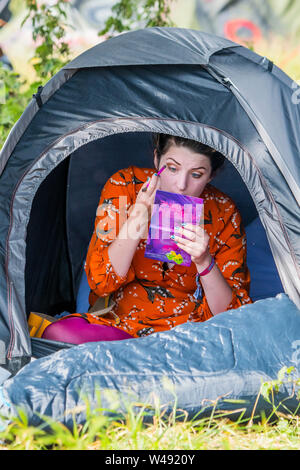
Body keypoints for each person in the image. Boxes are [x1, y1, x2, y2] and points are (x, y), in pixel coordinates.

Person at [42, 134, 252, 344]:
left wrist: (204, 261)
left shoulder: (223, 211)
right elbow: (101, 284)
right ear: (156, 160)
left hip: (189, 337)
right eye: (172, 168)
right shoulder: (126, 185)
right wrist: (138, 216)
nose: (181, 185)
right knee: (58, 334)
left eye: (196, 174)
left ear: (211, 176)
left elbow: (232, 318)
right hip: (121, 328)